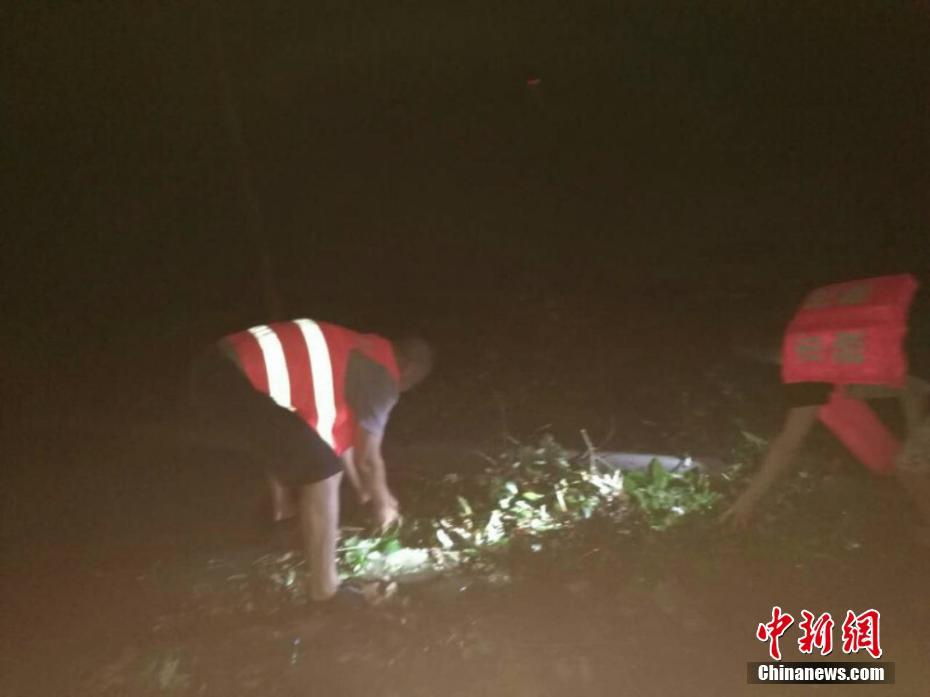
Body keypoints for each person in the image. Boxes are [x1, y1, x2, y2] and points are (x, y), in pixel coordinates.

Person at [190, 319, 433, 602]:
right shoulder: (381, 374)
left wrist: (367, 494)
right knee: (322, 472)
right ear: (412, 371)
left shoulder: (358, 355)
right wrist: (383, 503)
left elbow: (339, 449)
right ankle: (326, 591)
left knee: (309, 456)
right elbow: (368, 458)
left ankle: (286, 528)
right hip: (228, 377)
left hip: (215, 370)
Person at [721, 274, 930, 544]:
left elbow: (788, 443)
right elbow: (909, 388)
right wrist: (915, 435)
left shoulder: (809, 368)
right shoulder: (850, 338)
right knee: (913, 462)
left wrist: (748, 500)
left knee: (910, 465)